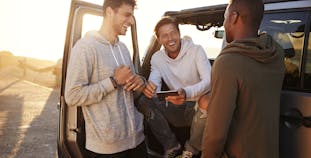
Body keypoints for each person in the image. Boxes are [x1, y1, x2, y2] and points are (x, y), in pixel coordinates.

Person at [201, 0, 285, 157]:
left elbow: (215, 135)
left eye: (225, 17)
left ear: (233, 17)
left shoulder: (228, 63)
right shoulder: (276, 54)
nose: (224, 23)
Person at [64, 0, 148, 157]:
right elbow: (72, 95)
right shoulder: (85, 48)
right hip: (107, 149)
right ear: (110, 12)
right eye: (127, 15)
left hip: (137, 140)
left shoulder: (123, 49)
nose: (131, 21)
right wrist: (113, 82)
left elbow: (131, 94)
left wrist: (140, 82)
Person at [138, 16, 212, 158]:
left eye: (173, 33)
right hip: (174, 106)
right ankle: (171, 146)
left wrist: (186, 93)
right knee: (144, 101)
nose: (170, 38)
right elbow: (155, 82)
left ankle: (190, 150)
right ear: (159, 40)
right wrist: (151, 89)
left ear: (179, 34)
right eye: (165, 35)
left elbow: (209, 80)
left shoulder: (196, 51)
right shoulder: (157, 58)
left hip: (197, 109)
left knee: (207, 101)